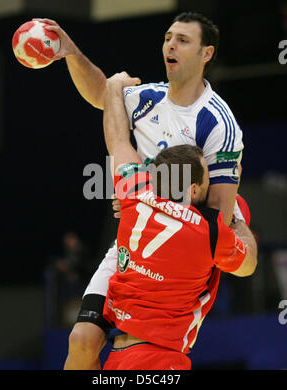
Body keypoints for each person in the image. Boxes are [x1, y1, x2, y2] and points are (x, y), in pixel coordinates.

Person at [33, 12, 246, 369]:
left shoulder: (217, 121)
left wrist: (152, 206)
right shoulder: (148, 98)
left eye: (182, 40)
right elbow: (105, 96)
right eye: (167, 37)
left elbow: (219, 211)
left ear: (206, 54)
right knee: (82, 340)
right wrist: (71, 52)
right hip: (133, 241)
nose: (170, 45)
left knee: (143, 356)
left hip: (180, 252)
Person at [100, 72, 256, 369]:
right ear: (193, 189)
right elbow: (248, 266)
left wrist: (112, 87)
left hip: (118, 357)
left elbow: (118, 139)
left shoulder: (135, 192)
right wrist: (237, 218)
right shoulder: (209, 232)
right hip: (161, 359)